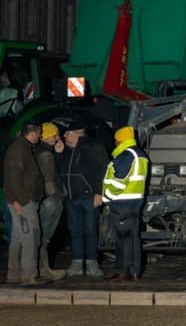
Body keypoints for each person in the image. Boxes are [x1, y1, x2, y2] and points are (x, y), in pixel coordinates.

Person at [54, 122, 109, 277]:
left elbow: (102, 170)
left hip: (89, 197)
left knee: (90, 230)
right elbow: (59, 172)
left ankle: (92, 263)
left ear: (75, 134)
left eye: (66, 133)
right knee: (75, 231)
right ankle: (77, 263)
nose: (64, 136)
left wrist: (99, 192)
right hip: (71, 198)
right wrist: (58, 154)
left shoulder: (94, 148)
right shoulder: (65, 151)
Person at [3, 123, 49, 286]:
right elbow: (14, 179)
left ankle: (14, 274)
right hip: (24, 202)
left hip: (19, 200)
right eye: (39, 133)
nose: (40, 136)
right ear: (33, 133)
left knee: (18, 237)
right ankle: (28, 274)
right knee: (30, 237)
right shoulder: (19, 150)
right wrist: (21, 201)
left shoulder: (20, 148)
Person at [101, 126, 148, 281]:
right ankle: (135, 271)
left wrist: (106, 197)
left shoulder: (126, 155)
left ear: (120, 140)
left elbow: (118, 183)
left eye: (115, 140)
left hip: (122, 204)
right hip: (134, 203)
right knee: (133, 239)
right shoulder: (139, 154)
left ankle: (123, 271)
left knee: (123, 241)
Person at [35, 123, 67, 280]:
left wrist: (59, 153)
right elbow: (49, 181)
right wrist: (58, 196)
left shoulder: (39, 150)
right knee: (44, 237)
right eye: (55, 135)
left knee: (39, 236)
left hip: (40, 200)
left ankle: (42, 268)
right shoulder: (46, 155)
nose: (58, 138)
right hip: (49, 201)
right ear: (47, 136)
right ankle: (44, 269)